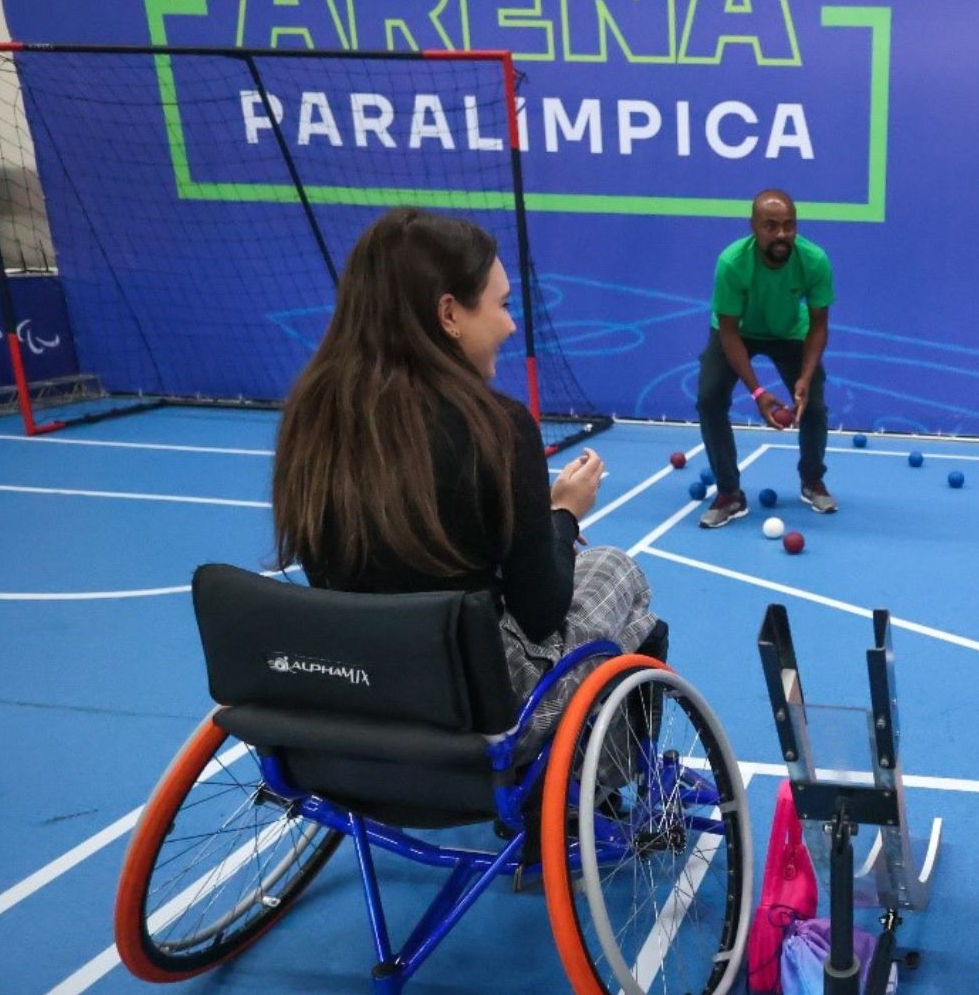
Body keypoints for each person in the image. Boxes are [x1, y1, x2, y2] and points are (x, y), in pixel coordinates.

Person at [271, 207, 663, 750]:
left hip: (354, 691)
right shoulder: (496, 427)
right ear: (449, 313)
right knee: (619, 571)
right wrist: (563, 515)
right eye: (501, 306)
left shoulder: (311, 418)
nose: (509, 324)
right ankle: (608, 788)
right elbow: (541, 612)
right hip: (480, 705)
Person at [695, 189, 837, 528]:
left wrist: (804, 377)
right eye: (770, 226)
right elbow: (728, 332)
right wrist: (758, 393)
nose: (781, 235)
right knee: (710, 399)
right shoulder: (732, 262)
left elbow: (819, 325)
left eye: (788, 226)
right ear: (753, 227)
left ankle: (812, 480)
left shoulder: (814, 260)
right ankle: (729, 493)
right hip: (738, 331)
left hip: (790, 331)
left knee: (814, 405)